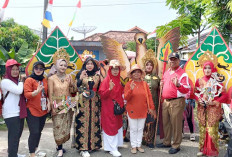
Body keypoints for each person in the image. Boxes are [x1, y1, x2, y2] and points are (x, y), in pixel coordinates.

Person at [194, 51, 228, 156]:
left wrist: (215, 102)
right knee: (203, 128)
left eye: (209, 68)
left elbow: (225, 95)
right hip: (202, 108)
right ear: (202, 69)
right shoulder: (199, 80)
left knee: (212, 129)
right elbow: (195, 93)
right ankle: (203, 150)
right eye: (205, 68)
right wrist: (198, 99)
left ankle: (212, 151)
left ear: (212, 69)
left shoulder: (216, 80)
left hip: (213, 109)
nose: (207, 70)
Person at [157, 52, 190, 154]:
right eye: (171, 59)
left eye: (175, 59)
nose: (172, 61)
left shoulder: (182, 73)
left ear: (178, 61)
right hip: (166, 102)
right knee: (166, 123)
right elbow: (163, 82)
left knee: (176, 124)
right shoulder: (167, 72)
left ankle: (176, 145)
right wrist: (161, 84)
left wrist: (179, 85)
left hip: (176, 102)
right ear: (169, 61)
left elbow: (187, 89)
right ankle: (167, 142)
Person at [48, 49, 76, 157]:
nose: (63, 67)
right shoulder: (51, 78)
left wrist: (72, 84)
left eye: (65, 65)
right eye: (61, 65)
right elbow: (50, 93)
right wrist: (52, 107)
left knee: (66, 126)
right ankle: (59, 148)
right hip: (57, 103)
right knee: (58, 126)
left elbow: (74, 91)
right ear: (56, 65)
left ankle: (60, 145)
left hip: (68, 103)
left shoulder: (69, 77)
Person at [124, 64, 156, 154]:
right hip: (132, 110)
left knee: (140, 128)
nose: (136, 74)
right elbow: (126, 97)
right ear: (132, 74)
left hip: (143, 109)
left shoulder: (144, 84)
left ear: (141, 74)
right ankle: (133, 146)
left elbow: (149, 96)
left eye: (138, 72)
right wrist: (131, 89)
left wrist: (152, 108)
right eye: (134, 72)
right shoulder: (128, 84)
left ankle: (139, 145)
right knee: (133, 128)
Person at [75, 57, 102, 157]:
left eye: (91, 64)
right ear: (85, 65)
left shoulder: (97, 75)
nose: (89, 65)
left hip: (94, 102)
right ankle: (83, 147)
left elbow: (100, 88)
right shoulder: (80, 74)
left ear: (94, 66)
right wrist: (80, 78)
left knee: (93, 122)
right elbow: (75, 88)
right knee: (83, 122)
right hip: (83, 102)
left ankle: (93, 145)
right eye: (87, 64)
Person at [1, 59, 26, 157]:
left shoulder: (15, 81)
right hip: (11, 113)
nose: (15, 71)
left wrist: (20, 81)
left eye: (17, 69)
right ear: (8, 70)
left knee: (17, 135)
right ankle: (12, 155)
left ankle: (13, 153)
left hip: (18, 112)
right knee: (13, 136)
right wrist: (21, 81)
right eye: (13, 69)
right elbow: (19, 91)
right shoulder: (5, 81)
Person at [24, 61, 50, 157]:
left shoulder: (44, 80)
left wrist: (49, 102)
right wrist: (36, 92)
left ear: (43, 70)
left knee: (39, 131)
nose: (38, 70)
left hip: (43, 110)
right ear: (33, 69)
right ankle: (32, 153)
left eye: (41, 68)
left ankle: (35, 149)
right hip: (32, 110)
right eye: (36, 68)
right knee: (34, 132)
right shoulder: (29, 80)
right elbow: (27, 94)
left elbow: (46, 93)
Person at [99, 60, 124, 157]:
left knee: (117, 125)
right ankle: (112, 148)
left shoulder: (118, 80)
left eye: (117, 69)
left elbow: (120, 93)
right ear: (110, 70)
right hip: (109, 108)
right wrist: (109, 89)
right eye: (113, 69)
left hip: (117, 107)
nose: (115, 71)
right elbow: (102, 95)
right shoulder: (107, 80)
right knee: (110, 126)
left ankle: (113, 146)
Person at [141, 49, 160, 149]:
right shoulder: (141, 77)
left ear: (153, 67)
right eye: (147, 65)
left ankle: (150, 140)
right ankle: (143, 138)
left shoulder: (157, 78)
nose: (149, 66)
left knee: (152, 121)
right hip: (143, 104)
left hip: (154, 103)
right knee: (143, 121)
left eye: (150, 65)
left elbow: (160, 91)